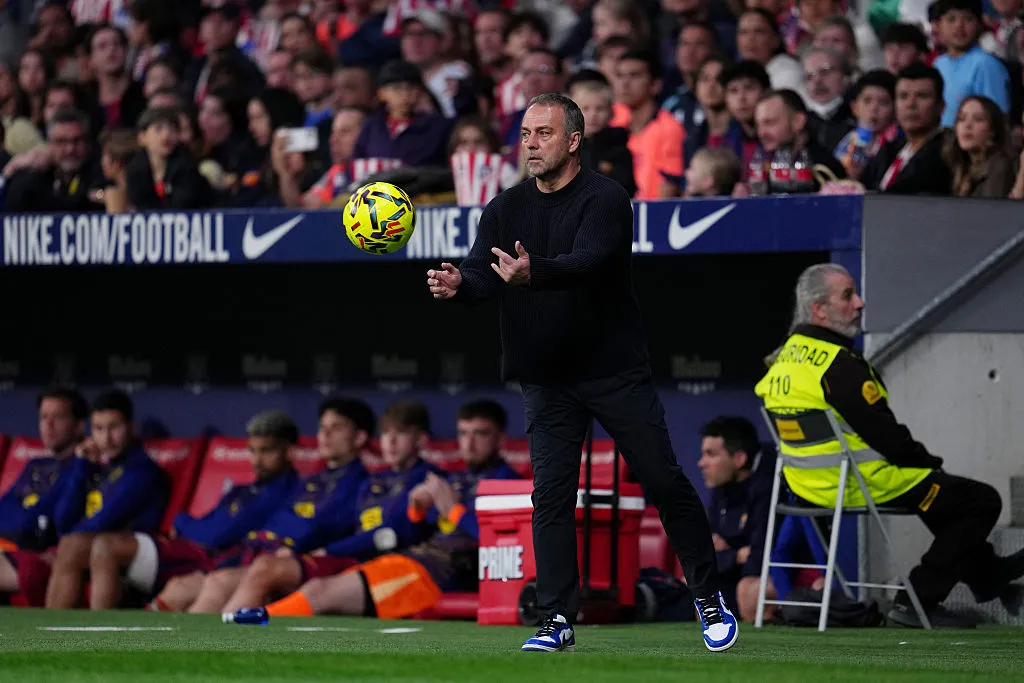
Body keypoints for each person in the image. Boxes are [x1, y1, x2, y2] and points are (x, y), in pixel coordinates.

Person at [425, 92, 737, 653]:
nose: (530, 144)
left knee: (663, 480)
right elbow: (482, 271)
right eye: (524, 134)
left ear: (573, 140)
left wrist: (532, 273)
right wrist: (459, 286)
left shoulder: (607, 199)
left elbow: (586, 263)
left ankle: (708, 595)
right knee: (549, 497)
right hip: (546, 376)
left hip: (612, 371)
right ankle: (557, 619)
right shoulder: (504, 207)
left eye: (542, 133)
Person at [754, 263, 1024, 628]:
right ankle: (918, 599)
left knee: (941, 495)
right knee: (979, 500)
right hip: (858, 482)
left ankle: (988, 575)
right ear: (818, 309)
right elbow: (889, 440)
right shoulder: (839, 365)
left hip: (805, 488)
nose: (860, 303)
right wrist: (930, 463)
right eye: (847, 295)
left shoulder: (779, 360)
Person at [223, 399, 522, 623]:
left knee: (321, 594)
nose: (469, 443)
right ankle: (258, 618)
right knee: (319, 587)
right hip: (409, 560)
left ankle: (260, 619)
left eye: (480, 434)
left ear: (500, 439)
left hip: (441, 573)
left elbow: (507, 545)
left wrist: (454, 511)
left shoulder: (509, 481)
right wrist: (417, 511)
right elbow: (411, 531)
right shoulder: (452, 479)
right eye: (463, 433)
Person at [212, 400, 438, 614]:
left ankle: (235, 631)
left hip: (378, 564)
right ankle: (210, 638)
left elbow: (384, 532)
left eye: (401, 433)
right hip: (341, 560)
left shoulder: (427, 480)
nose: (391, 441)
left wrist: (324, 550)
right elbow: (280, 518)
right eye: (387, 433)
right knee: (214, 581)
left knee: (277, 574)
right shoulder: (371, 481)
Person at [160, 399, 374, 613]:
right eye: (322, 428)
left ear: (359, 437)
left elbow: (322, 527)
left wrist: (291, 533)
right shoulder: (311, 481)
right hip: (259, 552)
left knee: (222, 582)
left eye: (336, 428)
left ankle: (215, 641)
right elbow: (278, 521)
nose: (325, 435)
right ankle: (163, 639)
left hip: (300, 559)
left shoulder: (362, 483)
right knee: (182, 587)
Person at [86, 411, 300, 610]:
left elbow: (215, 536)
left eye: (267, 451)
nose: (257, 460)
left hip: (212, 558)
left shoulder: (284, 493)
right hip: (197, 553)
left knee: (113, 550)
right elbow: (209, 522)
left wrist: (180, 522)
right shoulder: (242, 490)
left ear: (289, 452)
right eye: (252, 451)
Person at [44, 390, 170, 609]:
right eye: (99, 429)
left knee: (74, 546)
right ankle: (55, 633)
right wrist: (82, 466)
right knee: (71, 545)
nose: (106, 438)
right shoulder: (97, 468)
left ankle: (84, 635)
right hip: (98, 549)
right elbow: (62, 520)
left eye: (114, 427)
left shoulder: (141, 471)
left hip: (138, 553)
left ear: (131, 427)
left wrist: (65, 545)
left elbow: (104, 522)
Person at [0, 388, 88, 603]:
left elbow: (53, 518)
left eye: (58, 417)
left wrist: (27, 516)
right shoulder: (36, 465)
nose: (47, 425)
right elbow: (3, 509)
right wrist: (28, 517)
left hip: (33, 552)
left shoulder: (82, 468)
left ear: (79, 426)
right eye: (43, 417)